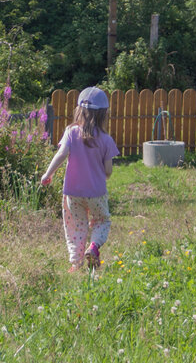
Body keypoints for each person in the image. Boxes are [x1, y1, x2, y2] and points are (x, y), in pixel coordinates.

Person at [40, 86, 120, 272]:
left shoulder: (71, 132)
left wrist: (48, 174)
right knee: (102, 221)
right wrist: (100, 172)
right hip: (96, 192)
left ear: (79, 111)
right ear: (103, 114)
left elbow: (60, 155)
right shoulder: (106, 140)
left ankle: (75, 263)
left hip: (72, 192)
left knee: (75, 225)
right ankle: (94, 246)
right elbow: (108, 171)